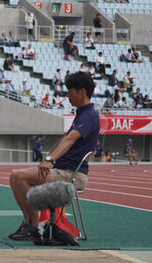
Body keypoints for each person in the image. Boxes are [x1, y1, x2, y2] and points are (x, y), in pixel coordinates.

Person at [8, 71, 99, 241]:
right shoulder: (82, 114)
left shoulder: (89, 116)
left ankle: (33, 226)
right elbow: (65, 139)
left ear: (82, 92)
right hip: (63, 170)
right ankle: (29, 222)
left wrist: (49, 160)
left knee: (18, 177)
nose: (67, 96)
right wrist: (47, 159)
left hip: (73, 175)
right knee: (15, 177)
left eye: (70, 92)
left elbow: (70, 140)